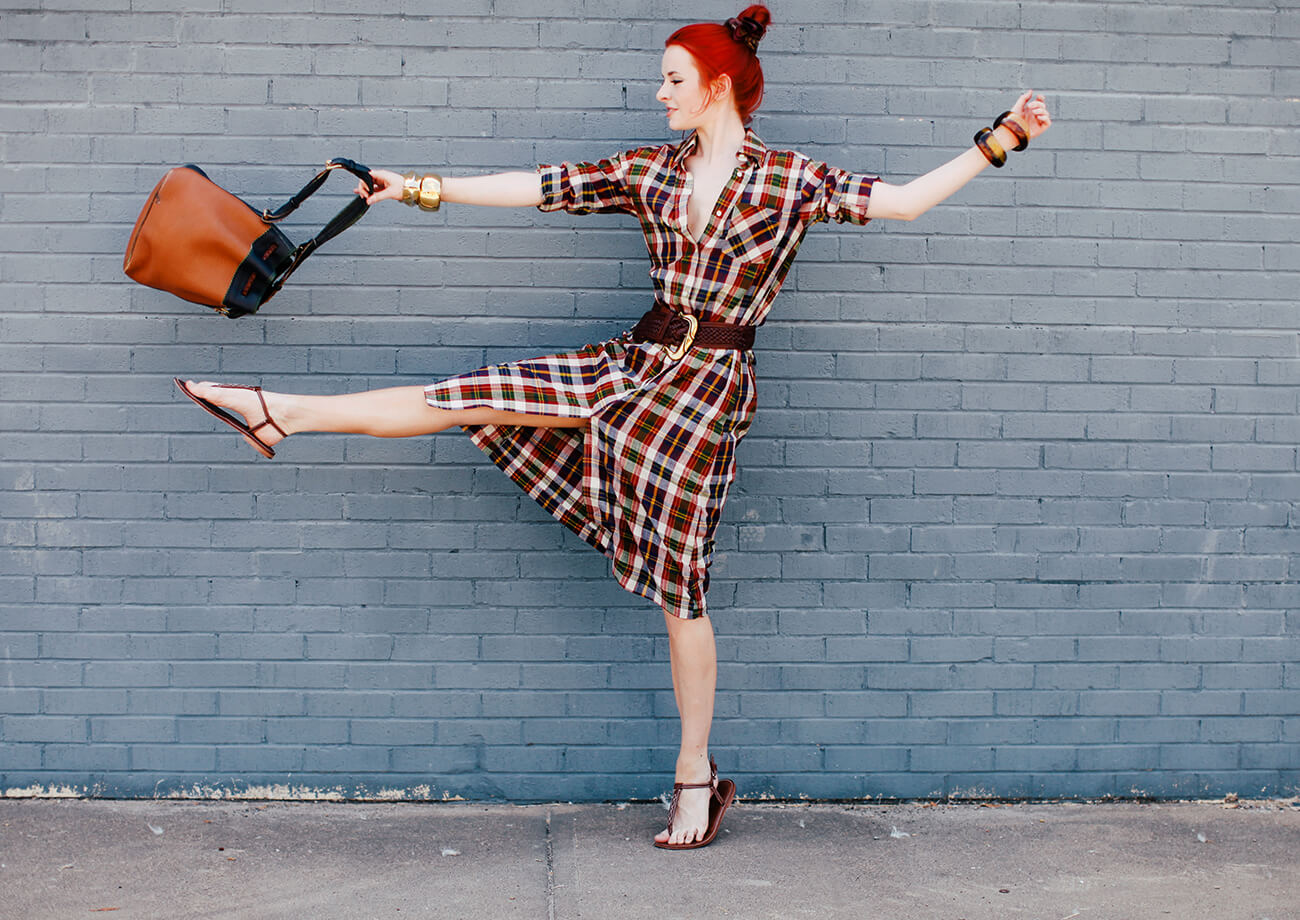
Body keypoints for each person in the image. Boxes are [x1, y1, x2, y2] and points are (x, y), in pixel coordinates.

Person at [176, 5, 1052, 849]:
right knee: (470, 393)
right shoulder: (652, 170)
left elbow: (901, 202)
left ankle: (696, 775)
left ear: (717, 85)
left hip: (705, 397)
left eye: (673, 79)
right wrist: (416, 187)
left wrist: (1002, 137)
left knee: (681, 591)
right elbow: (540, 187)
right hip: (632, 364)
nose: (660, 93)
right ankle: (280, 412)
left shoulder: (790, 179)